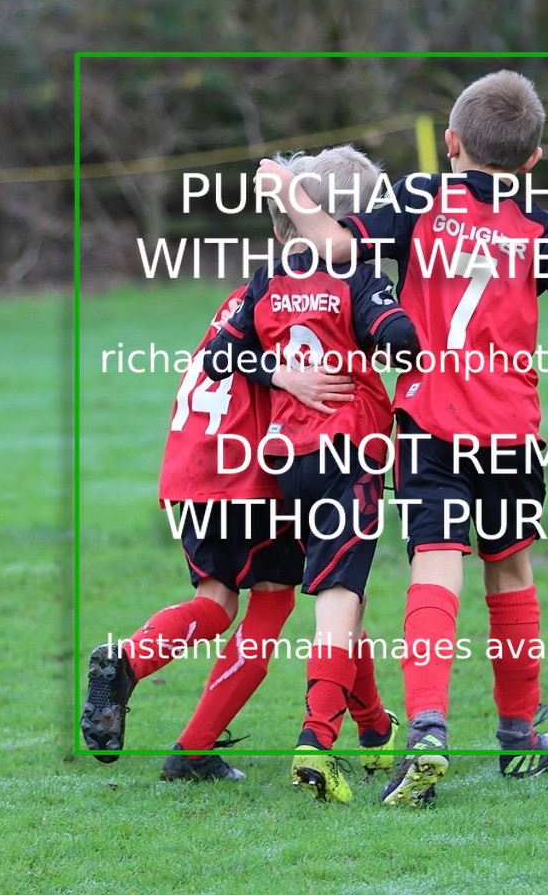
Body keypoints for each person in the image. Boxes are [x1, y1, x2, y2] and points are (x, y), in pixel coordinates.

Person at [255, 69, 548, 805]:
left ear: (451, 142)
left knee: (436, 568)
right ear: (533, 159)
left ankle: (427, 728)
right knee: (511, 571)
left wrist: (290, 191)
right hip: (511, 429)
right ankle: (519, 737)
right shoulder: (539, 224)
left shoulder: (419, 199)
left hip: (429, 424)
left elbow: (334, 245)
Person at [81, 147, 401, 788]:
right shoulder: (311, 298)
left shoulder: (246, 297)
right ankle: (197, 747)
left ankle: (129, 660)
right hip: (251, 472)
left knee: (221, 601)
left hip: (190, 470)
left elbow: (219, 361)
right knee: (297, 602)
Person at [203, 148, 421, 803]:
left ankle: (375, 728)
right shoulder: (355, 276)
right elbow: (402, 340)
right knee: (339, 600)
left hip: (289, 463)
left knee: (339, 594)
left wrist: (279, 372)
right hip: (349, 456)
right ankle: (315, 742)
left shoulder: (267, 280)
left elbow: (220, 355)